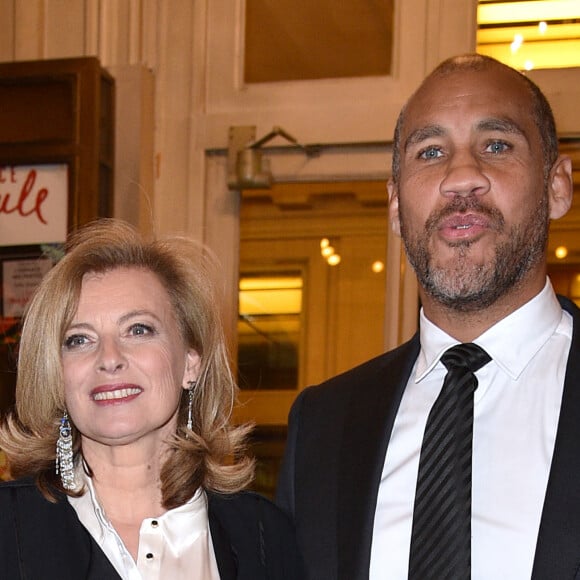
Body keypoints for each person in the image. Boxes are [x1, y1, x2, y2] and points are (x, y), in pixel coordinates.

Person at [276, 53, 579, 579]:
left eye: (497, 145)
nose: (462, 177)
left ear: (557, 186)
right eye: (431, 151)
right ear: (395, 206)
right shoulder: (322, 428)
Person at [0, 218, 304, 580]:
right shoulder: (8, 525)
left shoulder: (264, 536)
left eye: (138, 330)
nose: (109, 357)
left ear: (190, 362)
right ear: (55, 373)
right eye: (79, 339)